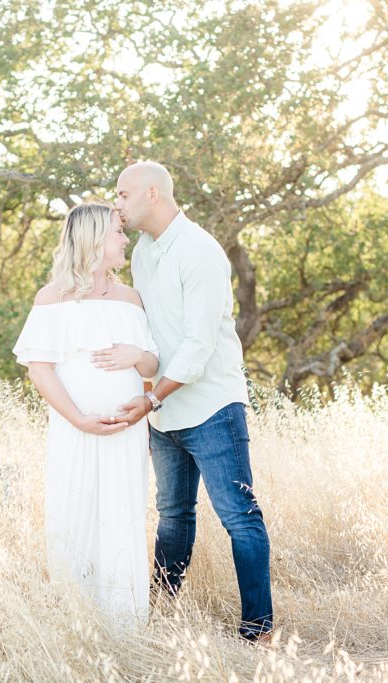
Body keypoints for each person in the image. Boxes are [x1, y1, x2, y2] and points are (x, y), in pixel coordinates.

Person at [111, 161, 274, 642]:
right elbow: (146, 331)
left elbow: (199, 348)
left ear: (154, 194)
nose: (117, 203)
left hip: (211, 407)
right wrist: (147, 397)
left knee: (240, 519)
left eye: (123, 194)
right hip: (162, 409)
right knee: (173, 517)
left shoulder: (200, 251)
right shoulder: (141, 252)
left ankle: (258, 629)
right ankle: (162, 613)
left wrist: (151, 400)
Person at [12, 202, 158, 628]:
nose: (125, 239)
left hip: (127, 430)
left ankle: (126, 623)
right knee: (73, 512)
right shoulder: (53, 298)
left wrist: (140, 356)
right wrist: (77, 418)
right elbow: (39, 368)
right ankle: (74, 622)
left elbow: (151, 368)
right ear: (95, 239)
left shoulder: (131, 299)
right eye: (118, 232)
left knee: (123, 513)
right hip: (74, 429)